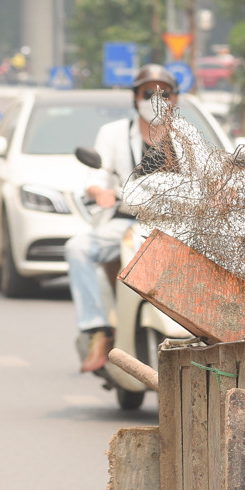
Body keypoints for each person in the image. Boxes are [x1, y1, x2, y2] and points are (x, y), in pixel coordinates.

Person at [66, 64, 179, 373]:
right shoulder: (113, 133)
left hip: (179, 226)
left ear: (175, 98)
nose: (155, 99)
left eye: (163, 93)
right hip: (127, 223)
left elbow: (212, 176)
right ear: (134, 97)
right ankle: (98, 330)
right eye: (147, 93)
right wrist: (99, 190)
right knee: (77, 248)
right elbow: (96, 175)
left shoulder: (189, 140)